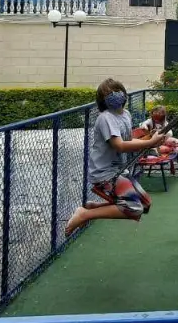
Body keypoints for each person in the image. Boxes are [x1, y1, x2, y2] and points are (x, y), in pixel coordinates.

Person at [64, 79, 168, 237]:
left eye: (117, 91)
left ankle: (94, 207)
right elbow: (119, 145)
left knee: (145, 204)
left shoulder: (126, 115)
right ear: (103, 100)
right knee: (135, 208)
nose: (114, 95)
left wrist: (150, 140)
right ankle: (84, 214)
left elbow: (128, 141)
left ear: (123, 93)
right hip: (105, 173)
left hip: (119, 171)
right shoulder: (105, 118)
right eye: (108, 94)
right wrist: (149, 143)